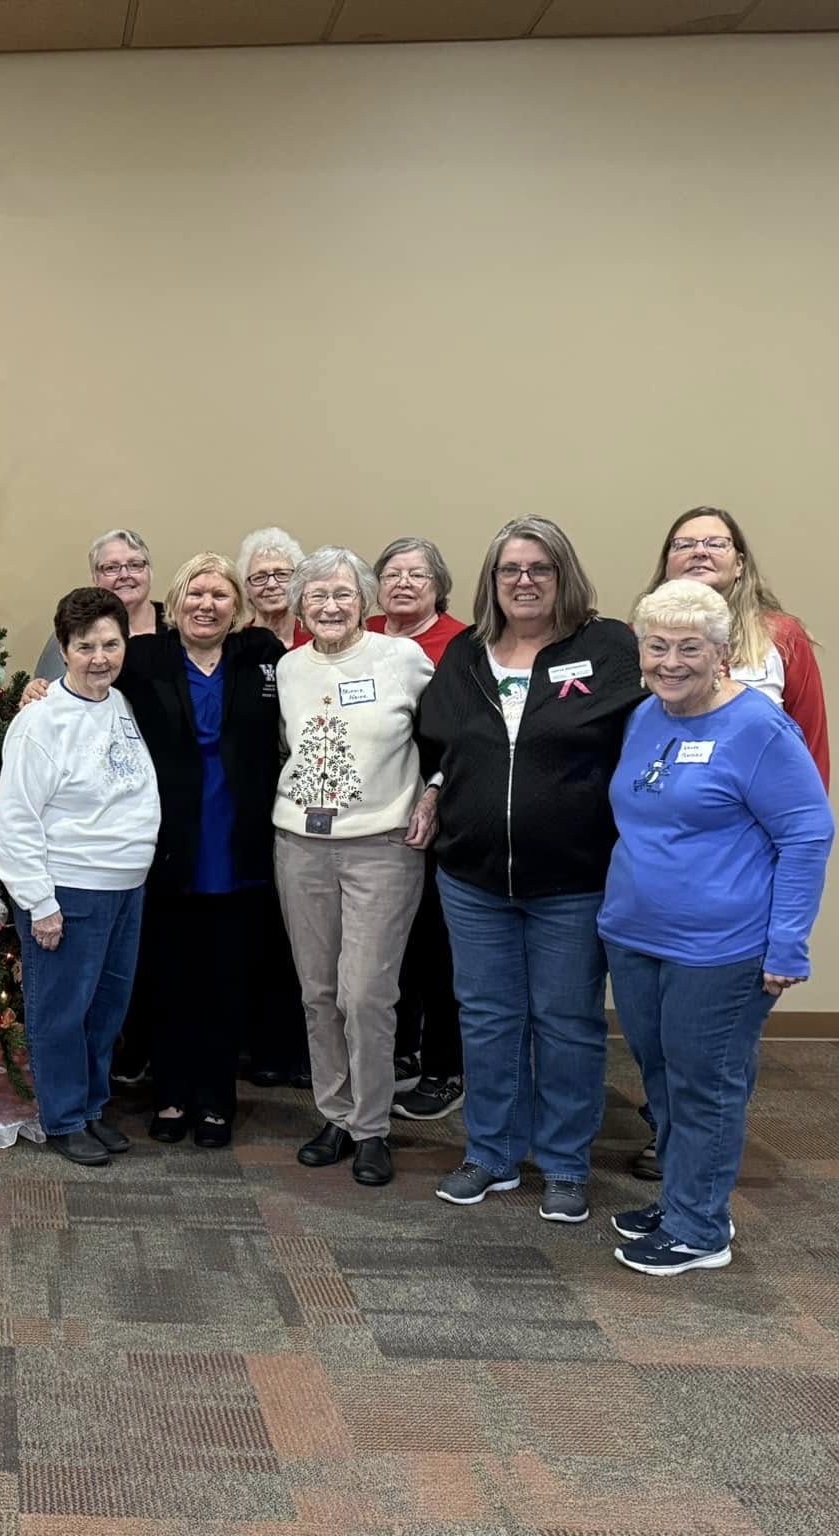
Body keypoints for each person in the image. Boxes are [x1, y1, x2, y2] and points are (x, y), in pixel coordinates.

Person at [416, 518, 645, 1223]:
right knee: (487, 1019)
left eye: (539, 568)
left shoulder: (605, 647)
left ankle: (566, 1164)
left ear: (563, 575)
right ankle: (490, 1153)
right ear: (491, 581)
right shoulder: (467, 652)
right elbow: (441, 741)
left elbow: (641, 733)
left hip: (572, 879)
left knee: (567, 1022)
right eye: (510, 569)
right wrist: (430, 789)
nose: (524, 581)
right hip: (472, 876)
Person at [601, 580, 832, 1274]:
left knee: (708, 1083)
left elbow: (807, 834)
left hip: (720, 948)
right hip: (637, 935)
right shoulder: (646, 716)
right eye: (657, 646)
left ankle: (700, 1230)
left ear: (723, 651)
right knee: (665, 1079)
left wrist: (788, 943)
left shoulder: (757, 726)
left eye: (689, 648)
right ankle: (685, 1198)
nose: (670, 662)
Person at [272, 548, 435, 1187]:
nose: (331, 606)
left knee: (365, 993)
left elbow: (453, 733)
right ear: (300, 605)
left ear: (364, 599)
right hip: (299, 845)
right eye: (317, 596)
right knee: (317, 991)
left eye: (343, 594)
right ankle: (335, 1114)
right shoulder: (288, 667)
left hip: (383, 847)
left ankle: (372, 1127)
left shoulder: (401, 659)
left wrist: (435, 791)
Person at [0, 587, 162, 1167]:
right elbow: (14, 821)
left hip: (125, 888)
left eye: (110, 644)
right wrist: (40, 902)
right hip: (70, 889)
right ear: (63, 649)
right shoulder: (40, 723)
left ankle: (91, 1107)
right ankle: (63, 1118)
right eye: (84, 646)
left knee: (105, 1011)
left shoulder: (119, 704)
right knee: (62, 1012)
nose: (99, 657)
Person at [119, 554, 284, 1148]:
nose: (206, 605)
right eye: (195, 593)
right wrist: (39, 688)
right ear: (176, 601)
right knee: (168, 980)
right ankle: (169, 1096)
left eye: (219, 595)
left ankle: (216, 1101)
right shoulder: (144, 659)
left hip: (239, 847)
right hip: (168, 849)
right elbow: (85, 684)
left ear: (236, 607)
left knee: (225, 982)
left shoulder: (260, 655)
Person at [366, 537, 471, 1121]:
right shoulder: (364, 634)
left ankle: (444, 1067)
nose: (404, 583)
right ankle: (403, 1051)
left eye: (418, 574)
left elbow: (466, 736)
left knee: (436, 947)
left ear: (438, 586)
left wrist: (435, 790)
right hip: (372, 821)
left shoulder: (461, 643)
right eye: (393, 573)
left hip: (435, 813)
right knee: (389, 945)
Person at [646, 507, 827, 789]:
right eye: (684, 545)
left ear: (740, 564)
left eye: (716, 544)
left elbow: (810, 740)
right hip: (666, 804)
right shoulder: (642, 637)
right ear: (667, 565)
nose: (700, 552)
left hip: (762, 803)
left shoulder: (783, 636)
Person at [28, 529, 166, 692]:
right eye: (111, 568)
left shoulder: (176, 625)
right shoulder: (74, 628)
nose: (124, 575)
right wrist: (34, 691)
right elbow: (47, 692)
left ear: (150, 572)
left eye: (135, 565)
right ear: (95, 577)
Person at [238, 527, 311, 651]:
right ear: (247, 589)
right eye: (260, 577)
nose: (271, 584)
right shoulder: (235, 647)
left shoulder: (316, 645)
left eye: (282, 574)